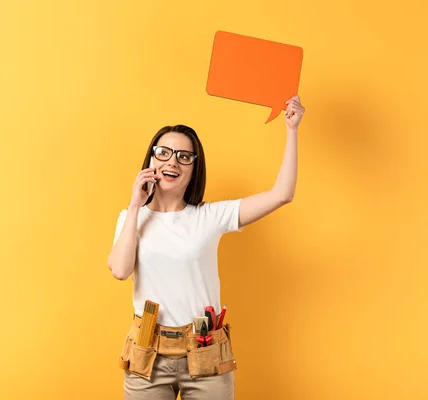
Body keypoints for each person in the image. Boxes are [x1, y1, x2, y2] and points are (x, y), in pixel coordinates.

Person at [107, 95, 305, 399]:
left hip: (204, 351)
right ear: (150, 160)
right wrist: (136, 205)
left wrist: (292, 130)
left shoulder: (209, 216)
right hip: (146, 351)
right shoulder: (130, 217)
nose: (172, 161)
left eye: (184, 156)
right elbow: (120, 271)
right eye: (163, 153)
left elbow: (282, 194)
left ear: (193, 168)